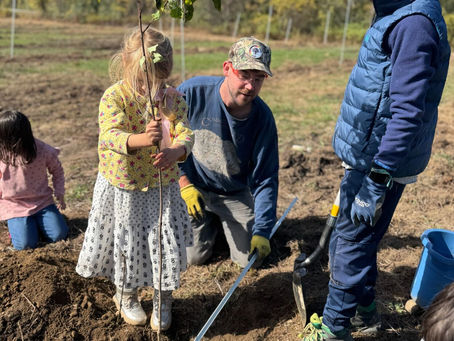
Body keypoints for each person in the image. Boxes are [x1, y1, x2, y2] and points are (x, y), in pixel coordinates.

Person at [301, 0, 450, 340]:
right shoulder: (395, 13)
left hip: (377, 164)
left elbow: (408, 111)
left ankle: (334, 328)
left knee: (349, 243)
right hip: (367, 156)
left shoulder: (413, 24)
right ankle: (363, 313)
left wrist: (377, 179)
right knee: (357, 238)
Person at [75, 27, 194, 331]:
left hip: (161, 186)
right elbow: (110, 136)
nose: (150, 89)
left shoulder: (172, 99)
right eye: (143, 82)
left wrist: (176, 151)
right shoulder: (114, 97)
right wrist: (142, 138)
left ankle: (163, 297)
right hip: (125, 186)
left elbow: (185, 132)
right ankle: (126, 294)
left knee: (161, 243)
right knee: (128, 243)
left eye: (158, 81)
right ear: (127, 67)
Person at [176, 37, 279, 268]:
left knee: (250, 260)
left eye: (258, 78)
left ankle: (228, 221)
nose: (250, 86)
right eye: (244, 75)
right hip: (195, 189)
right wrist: (184, 183)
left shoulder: (262, 119)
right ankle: (211, 222)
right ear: (227, 68)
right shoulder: (191, 94)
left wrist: (262, 230)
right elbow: (166, 142)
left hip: (234, 193)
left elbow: (266, 178)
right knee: (194, 259)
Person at [0, 110, 68, 251]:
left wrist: (59, 191)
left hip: (42, 201)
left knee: (59, 235)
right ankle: (17, 228)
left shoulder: (41, 149)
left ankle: (38, 223)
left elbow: (57, 170)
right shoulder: (2, 153)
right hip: (14, 204)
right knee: (25, 245)